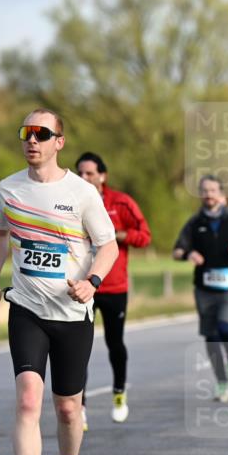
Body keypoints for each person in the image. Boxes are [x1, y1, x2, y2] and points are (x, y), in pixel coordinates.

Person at [0, 108, 117, 455]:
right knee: (26, 400)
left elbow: (107, 246)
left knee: (68, 408)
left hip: (73, 314)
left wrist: (92, 282)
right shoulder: (9, 189)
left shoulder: (81, 193)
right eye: (26, 132)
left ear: (60, 142)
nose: (32, 140)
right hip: (26, 308)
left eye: (42, 133)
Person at [76, 152, 152, 424]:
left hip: (114, 287)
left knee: (114, 343)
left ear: (102, 176)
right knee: (78, 348)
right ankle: (79, 407)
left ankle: (119, 392)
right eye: (80, 173)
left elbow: (145, 236)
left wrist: (120, 236)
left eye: (89, 173)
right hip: (82, 288)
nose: (84, 178)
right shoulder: (70, 200)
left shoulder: (121, 202)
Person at [172, 175, 228, 403]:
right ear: (200, 194)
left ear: (222, 194)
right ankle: (221, 383)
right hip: (204, 289)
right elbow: (177, 250)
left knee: (225, 327)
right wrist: (189, 254)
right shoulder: (194, 223)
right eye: (204, 190)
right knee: (210, 336)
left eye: (213, 190)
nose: (209, 194)